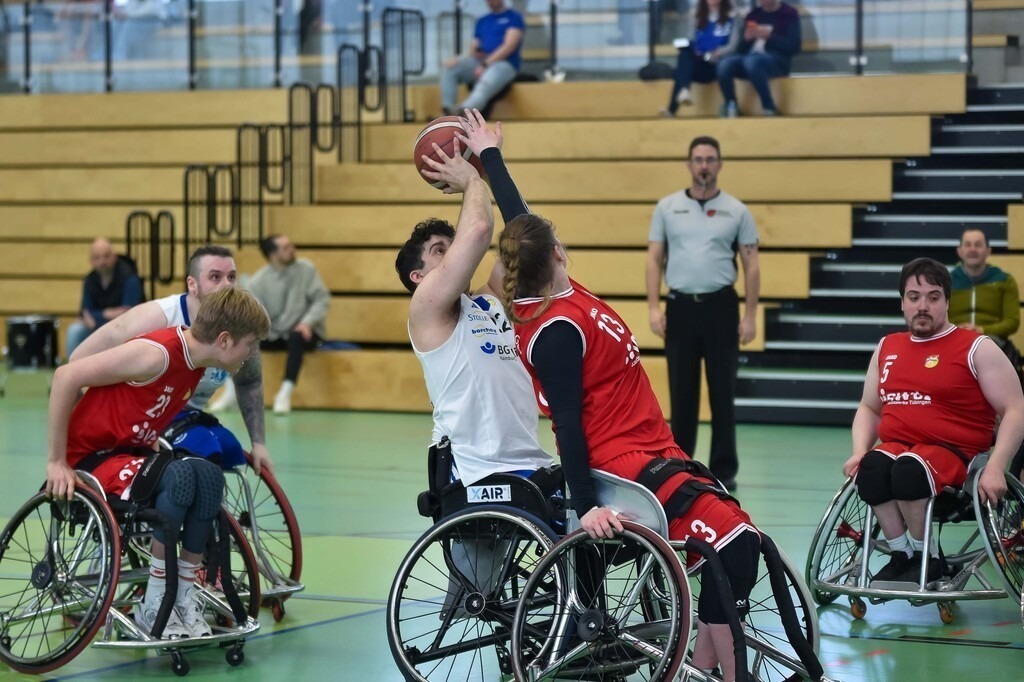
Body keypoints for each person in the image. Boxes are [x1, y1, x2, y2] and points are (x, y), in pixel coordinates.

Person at [494, 141, 760, 682]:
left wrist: (488, 160)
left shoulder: (564, 295)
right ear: (559, 252)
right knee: (738, 544)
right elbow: (567, 424)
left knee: (732, 549)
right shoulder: (557, 329)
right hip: (623, 463)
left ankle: (706, 669)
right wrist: (586, 505)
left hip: (654, 448)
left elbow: (520, 224)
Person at [45, 287, 270, 640]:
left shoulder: (196, 363)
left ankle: (182, 594)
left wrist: (144, 431)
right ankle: (155, 599)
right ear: (224, 340)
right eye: (251, 343)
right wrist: (57, 461)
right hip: (91, 458)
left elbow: (144, 402)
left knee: (209, 475)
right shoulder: (158, 354)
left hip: (128, 454)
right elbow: (65, 376)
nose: (253, 352)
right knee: (179, 475)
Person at [395, 108, 553, 489]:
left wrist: (490, 161)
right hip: (471, 470)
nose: (451, 254)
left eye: (452, 246)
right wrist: (471, 178)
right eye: (438, 251)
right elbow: (480, 228)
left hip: (530, 461)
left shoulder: (489, 300)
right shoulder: (426, 309)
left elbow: (530, 237)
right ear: (418, 277)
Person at [842, 258, 1024, 584]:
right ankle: (903, 554)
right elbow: (869, 408)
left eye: (933, 296)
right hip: (900, 447)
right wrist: (859, 450)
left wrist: (997, 466)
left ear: (947, 301)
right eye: (914, 297)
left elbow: (1015, 409)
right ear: (902, 303)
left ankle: (929, 557)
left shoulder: (976, 348)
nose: (922, 305)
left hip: (956, 454)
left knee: (909, 470)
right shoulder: (888, 347)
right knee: (869, 469)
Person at [71, 245, 274, 477]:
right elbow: (77, 361)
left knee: (229, 449)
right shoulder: (157, 318)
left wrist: (258, 444)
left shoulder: (240, 328)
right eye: (215, 277)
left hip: (188, 413)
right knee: (205, 449)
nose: (226, 285)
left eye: (232, 277)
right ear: (192, 284)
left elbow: (250, 382)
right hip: (146, 416)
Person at [646, 135, 759, 492]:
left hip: (721, 307)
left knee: (723, 391)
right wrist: (653, 306)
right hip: (680, 307)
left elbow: (751, 265)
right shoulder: (667, 208)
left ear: (720, 164)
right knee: (682, 393)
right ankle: (681, 463)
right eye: (698, 159)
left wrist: (751, 315)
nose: (704, 165)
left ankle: (725, 469)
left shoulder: (737, 210)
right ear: (689, 164)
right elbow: (654, 258)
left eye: (710, 159)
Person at [239, 234, 330, 415]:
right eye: (286, 247)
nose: (292, 249)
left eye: (291, 245)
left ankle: (285, 392)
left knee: (297, 336)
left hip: (305, 331)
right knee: (242, 340)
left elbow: (321, 300)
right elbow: (255, 315)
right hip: (275, 333)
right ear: (273, 255)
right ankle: (232, 392)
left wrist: (307, 322)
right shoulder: (258, 281)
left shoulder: (307, 269)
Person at [716, 0, 801, 117]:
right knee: (725, 64)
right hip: (749, 58)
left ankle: (769, 107)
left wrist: (770, 36)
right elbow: (739, 49)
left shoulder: (788, 14)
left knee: (752, 61)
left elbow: (794, 47)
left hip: (776, 60)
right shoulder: (753, 16)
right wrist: (746, 39)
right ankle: (731, 106)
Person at [440, 0, 524, 117]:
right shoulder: (482, 20)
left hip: (504, 64)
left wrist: (485, 64)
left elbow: (509, 46)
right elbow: (473, 48)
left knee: (487, 79)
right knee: (450, 67)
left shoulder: (514, 17)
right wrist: (459, 59)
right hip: (480, 62)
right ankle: (447, 111)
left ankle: (465, 112)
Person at [65, 238, 145, 359]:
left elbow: (128, 314)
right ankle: (72, 372)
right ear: (91, 261)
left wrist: (97, 317)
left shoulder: (130, 278)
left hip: (125, 329)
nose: (102, 261)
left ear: (114, 257)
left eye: (106, 256)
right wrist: (108, 314)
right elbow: (85, 313)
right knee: (75, 330)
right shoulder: (89, 280)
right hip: (96, 328)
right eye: (97, 258)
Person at [660, 0, 739, 117]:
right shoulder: (698, 18)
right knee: (684, 55)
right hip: (701, 62)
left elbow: (734, 44)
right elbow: (692, 40)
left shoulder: (732, 17)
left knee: (681, 71)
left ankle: (673, 108)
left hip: (719, 64)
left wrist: (719, 52)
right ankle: (683, 92)